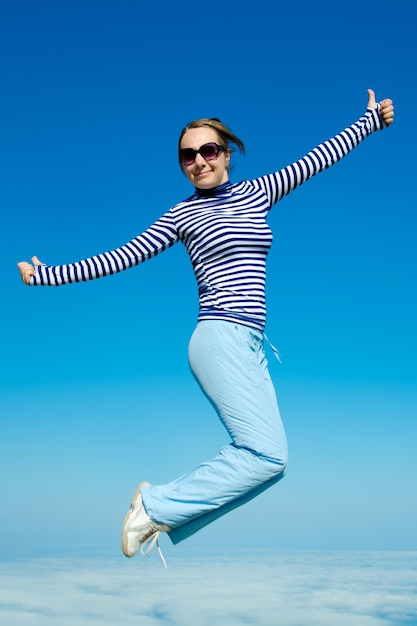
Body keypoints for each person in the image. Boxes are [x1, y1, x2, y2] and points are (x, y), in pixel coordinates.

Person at [18, 89, 394, 566]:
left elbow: (317, 158)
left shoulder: (260, 190)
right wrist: (46, 275)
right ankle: (155, 507)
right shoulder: (181, 214)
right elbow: (122, 256)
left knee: (272, 462)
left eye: (207, 151)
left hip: (253, 344)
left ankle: (159, 511)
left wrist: (368, 123)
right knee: (264, 455)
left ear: (226, 154)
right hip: (218, 337)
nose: (198, 161)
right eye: (187, 156)